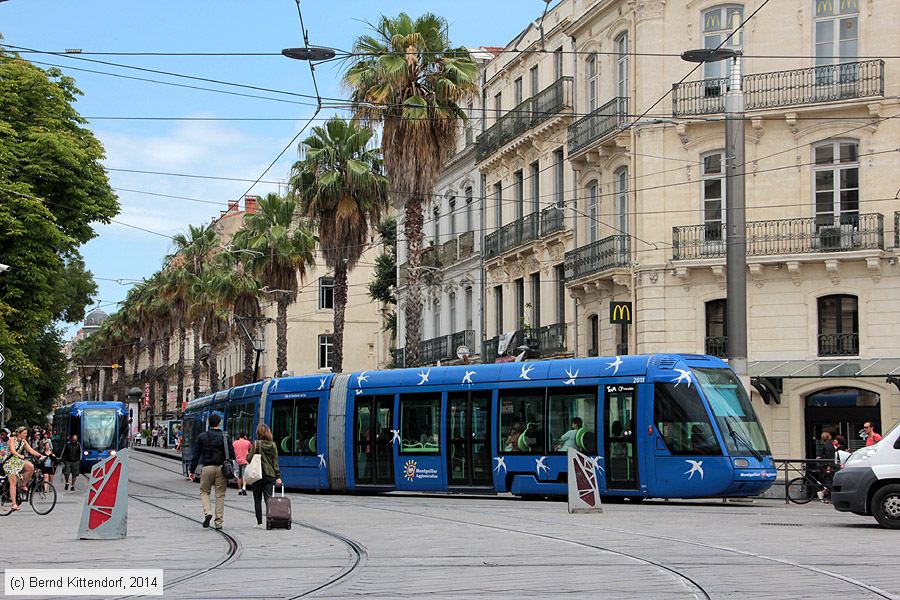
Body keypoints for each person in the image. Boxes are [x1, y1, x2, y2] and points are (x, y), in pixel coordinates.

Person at [189, 414, 230, 530]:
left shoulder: (202, 436)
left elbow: (196, 455)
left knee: (204, 491)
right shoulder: (225, 436)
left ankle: (208, 512)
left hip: (207, 468)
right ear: (219, 423)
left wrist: (191, 470)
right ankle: (219, 522)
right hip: (222, 468)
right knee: (220, 495)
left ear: (209, 423)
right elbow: (231, 454)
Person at [246, 423, 282, 529]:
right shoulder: (273, 445)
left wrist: (248, 455)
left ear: (259, 433)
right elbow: (275, 462)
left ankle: (259, 523)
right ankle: (270, 521)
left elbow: (249, 459)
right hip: (270, 475)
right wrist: (278, 476)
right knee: (268, 499)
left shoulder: (256, 444)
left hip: (257, 475)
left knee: (257, 499)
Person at [3, 427, 44, 511]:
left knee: (30, 467)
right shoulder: (11, 439)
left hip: (17, 461)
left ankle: (22, 484)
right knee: (13, 483)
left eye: (26, 433)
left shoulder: (23, 441)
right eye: (24, 433)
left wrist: (40, 455)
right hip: (9, 462)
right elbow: (13, 451)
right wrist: (20, 455)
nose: (26, 435)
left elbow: (31, 450)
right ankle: (14, 504)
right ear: (19, 433)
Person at [233, 432, 252, 496]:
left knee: (239, 475)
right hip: (245, 460)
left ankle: (239, 489)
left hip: (237, 460)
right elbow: (251, 450)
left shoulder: (235, 442)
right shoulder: (248, 442)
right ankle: (244, 487)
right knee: (244, 475)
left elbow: (233, 450)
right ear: (244, 436)